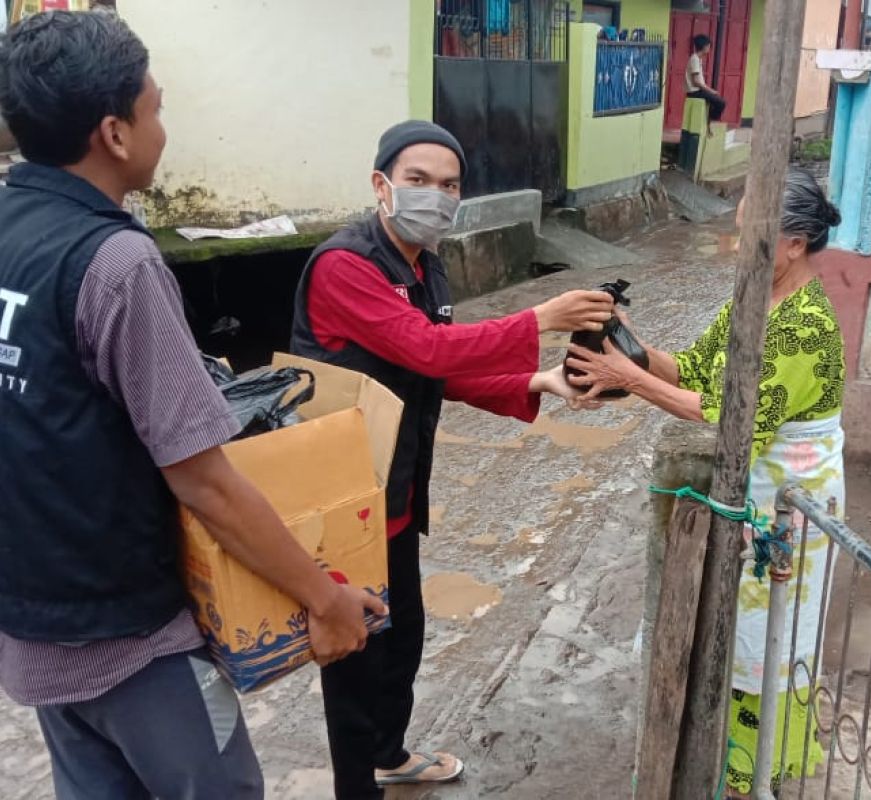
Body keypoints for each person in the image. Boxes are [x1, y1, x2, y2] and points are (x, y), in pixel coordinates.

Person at [0, 11, 385, 800]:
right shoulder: (116, 262)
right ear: (114, 132)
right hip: (135, 641)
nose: (162, 128)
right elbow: (204, 481)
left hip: (35, 623)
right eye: (156, 109)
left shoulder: (12, 228)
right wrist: (325, 599)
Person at [291, 120, 613, 798]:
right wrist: (538, 319)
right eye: (418, 181)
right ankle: (358, 787)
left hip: (397, 493)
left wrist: (537, 381)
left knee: (401, 638)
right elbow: (429, 350)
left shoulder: (424, 263)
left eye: (449, 186)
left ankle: (389, 753)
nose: (434, 196)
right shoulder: (343, 266)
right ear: (381, 185)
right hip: (345, 498)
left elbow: (433, 373)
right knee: (352, 657)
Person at [565, 168, 846, 797]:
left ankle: (753, 765)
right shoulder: (753, 298)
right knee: (727, 616)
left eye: (750, 230)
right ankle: (717, 753)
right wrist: (625, 343)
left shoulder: (805, 324)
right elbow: (692, 370)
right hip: (750, 489)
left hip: (793, 499)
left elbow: (727, 414)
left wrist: (629, 380)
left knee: (770, 627)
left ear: (794, 243)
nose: (737, 241)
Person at [686, 34, 727, 137]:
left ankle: (708, 121)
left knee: (716, 101)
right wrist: (710, 90)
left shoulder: (698, 59)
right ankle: (709, 122)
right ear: (704, 47)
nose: (709, 48)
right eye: (708, 46)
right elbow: (696, 82)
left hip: (698, 91)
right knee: (721, 102)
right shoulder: (694, 59)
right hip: (694, 92)